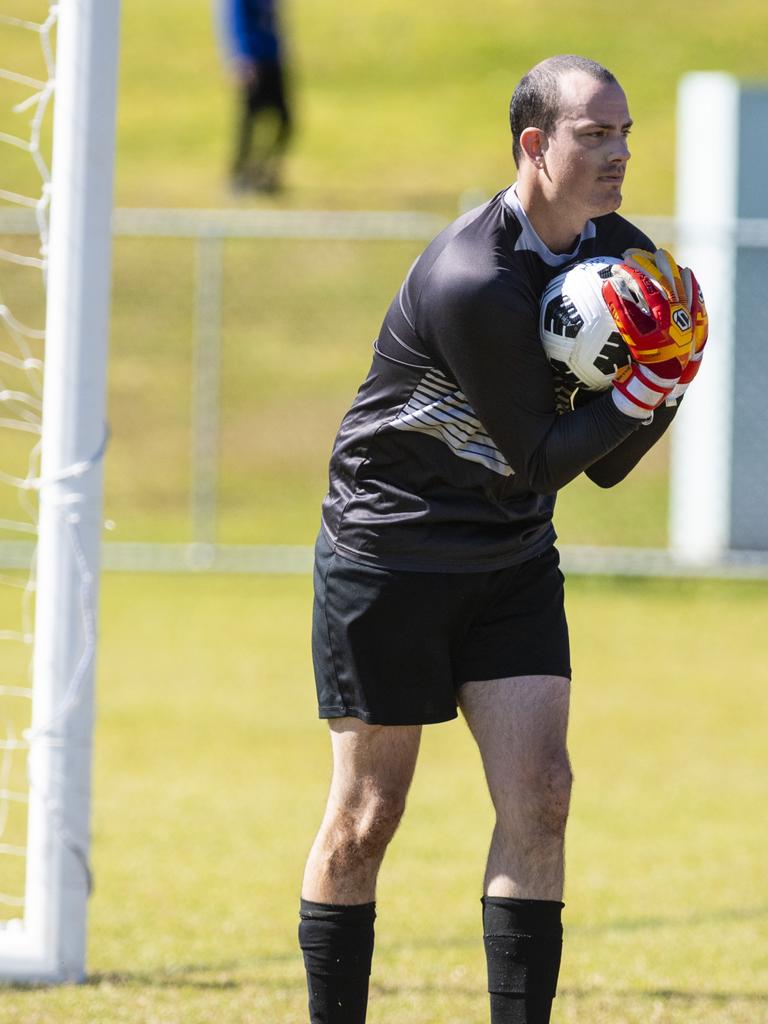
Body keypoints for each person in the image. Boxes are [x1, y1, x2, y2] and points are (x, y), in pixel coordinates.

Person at [298, 55, 707, 1024]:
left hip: (512, 560)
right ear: (535, 144)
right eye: (594, 133)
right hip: (391, 556)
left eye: (624, 133)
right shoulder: (474, 276)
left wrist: (671, 369)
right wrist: (649, 386)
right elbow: (540, 456)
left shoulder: (619, 250)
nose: (619, 153)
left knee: (545, 795)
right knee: (367, 817)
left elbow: (603, 462)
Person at [218, 0, 292, 193]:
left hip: (272, 57)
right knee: (249, 121)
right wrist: (240, 56)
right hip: (252, 59)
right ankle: (239, 176)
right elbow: (234, 20)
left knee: (285, 120)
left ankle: (263, 173)